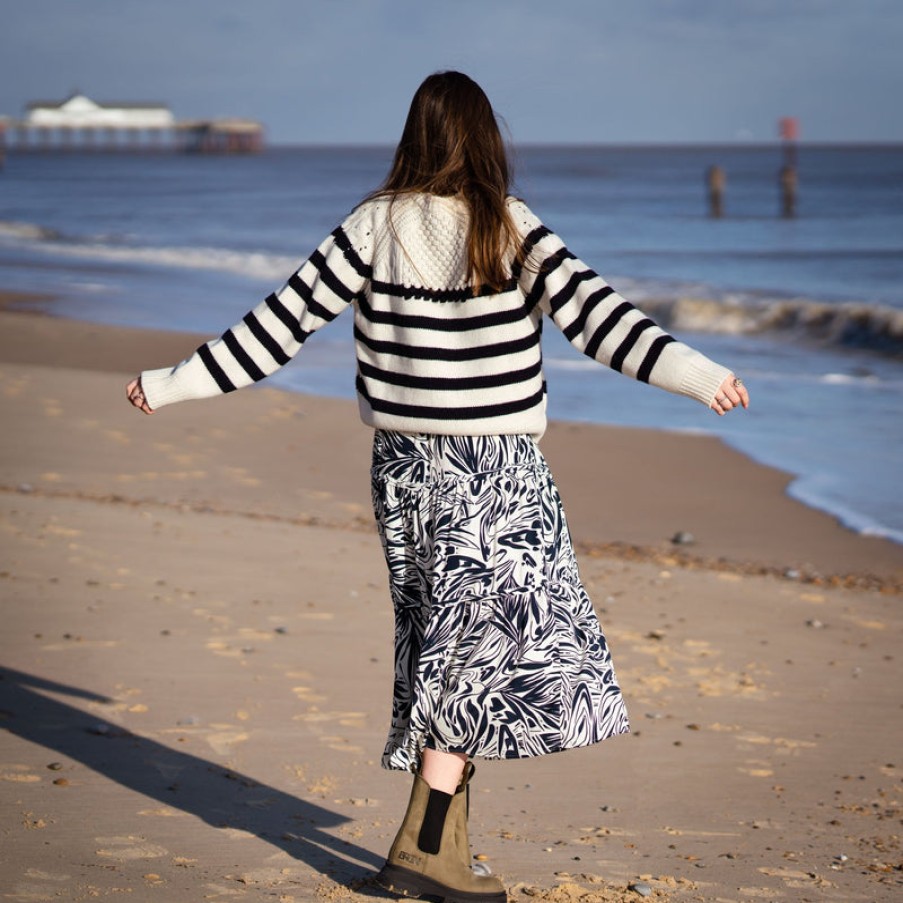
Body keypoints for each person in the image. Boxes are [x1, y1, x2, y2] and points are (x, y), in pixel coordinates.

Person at [126, 71, 749, 903]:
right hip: (496, 472)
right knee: (476, 655)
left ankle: (445, 841)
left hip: (404, 469)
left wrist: (171, 381)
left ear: (414, 137)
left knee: (445, 647)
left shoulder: (371, 226)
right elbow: (604, 322)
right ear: (487, 139)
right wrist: (697, 374)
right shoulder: (507, 225)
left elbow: (274, 329)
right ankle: (422, 848)